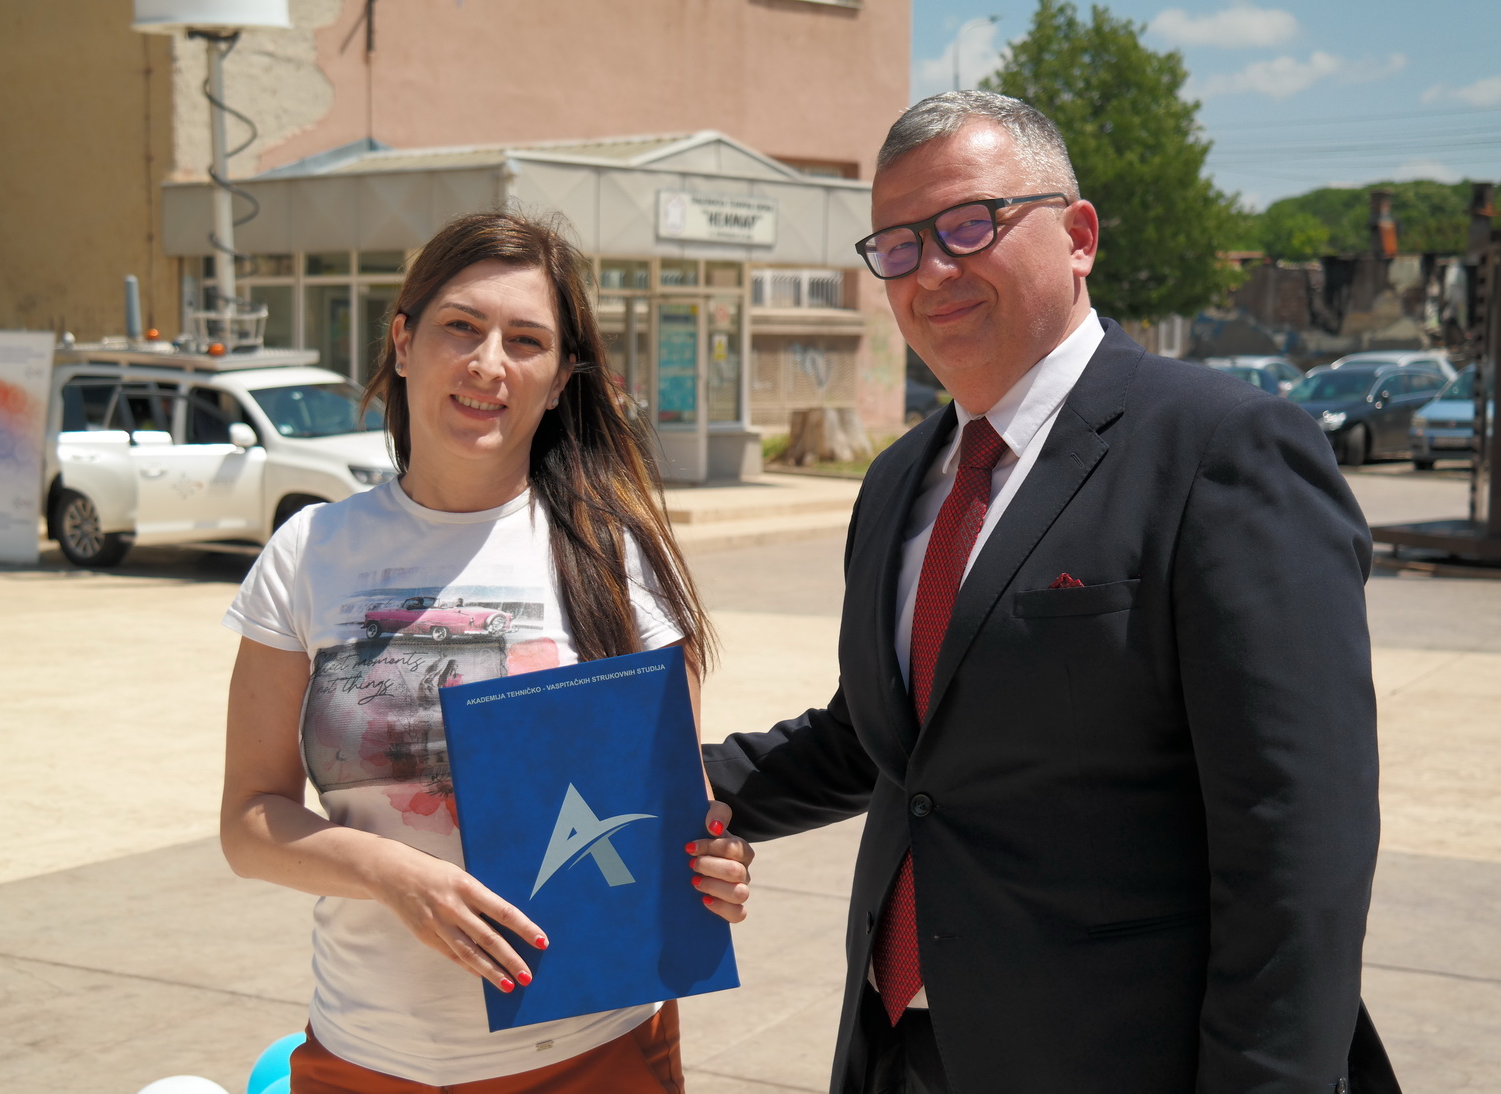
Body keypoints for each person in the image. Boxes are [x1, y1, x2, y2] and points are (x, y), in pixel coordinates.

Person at [703, 91, 1398, 1093]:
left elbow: (1297, 837)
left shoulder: (1220, 449)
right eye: (898, 245)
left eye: (968, 225)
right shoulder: (898, 480)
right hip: (901, 1049)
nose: (930, 270)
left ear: (1077, 237)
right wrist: (665, 783)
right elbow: (887, 739)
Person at [221, 211, 752, 1094]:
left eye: (526, 340)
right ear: (403, 343)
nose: (488, 364)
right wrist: (391, 872)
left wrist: (716, 866)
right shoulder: (310, 551)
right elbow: (249, 821)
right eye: (461, 327)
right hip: (369, 1059)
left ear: (561, 379)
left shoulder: (619, 558)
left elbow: (671, 813)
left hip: (594, 1054)